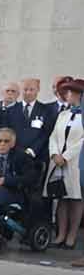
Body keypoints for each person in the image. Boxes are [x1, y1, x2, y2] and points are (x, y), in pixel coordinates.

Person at [46, 78, 83, 250]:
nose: (66, 95)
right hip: (58, 162)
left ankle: (72, 235)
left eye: (70, 92)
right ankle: (60, 234)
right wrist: (54, 154)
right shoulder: (63, 114)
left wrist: (66, 156)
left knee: (75, 198)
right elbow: (53, 136)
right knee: (61, 198)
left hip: (75, 162)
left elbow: (81, 141)